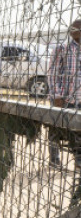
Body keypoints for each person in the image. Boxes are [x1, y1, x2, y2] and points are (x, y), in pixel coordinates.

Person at [47, 19, 81, 200]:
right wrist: (57, 95)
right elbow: (53, 73)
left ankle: (78, 159)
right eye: (73, 29)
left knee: (77, 132)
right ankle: (54, 158)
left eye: (77, 29)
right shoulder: (62, 49)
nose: (74, 31)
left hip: (80, 99)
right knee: (57, 130)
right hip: (65, 98)